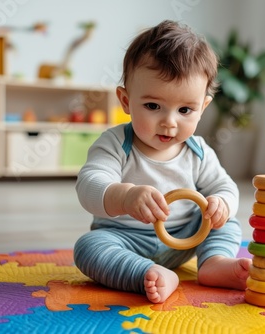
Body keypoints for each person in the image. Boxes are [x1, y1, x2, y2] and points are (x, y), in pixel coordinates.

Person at [74, 20, 251, 304]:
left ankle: (213, 263)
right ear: (126, 100)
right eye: (153, 106)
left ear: (202, 107)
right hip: (125, 239)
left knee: (228, 222)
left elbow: (224, 185)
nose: (169, 122)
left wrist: (221, 203)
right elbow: (89, 185)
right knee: (88, 248)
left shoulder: (198, 151)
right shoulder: (114, 143)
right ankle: (146, 273)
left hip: (186, 238)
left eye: (184, 110)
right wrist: (126, 196)